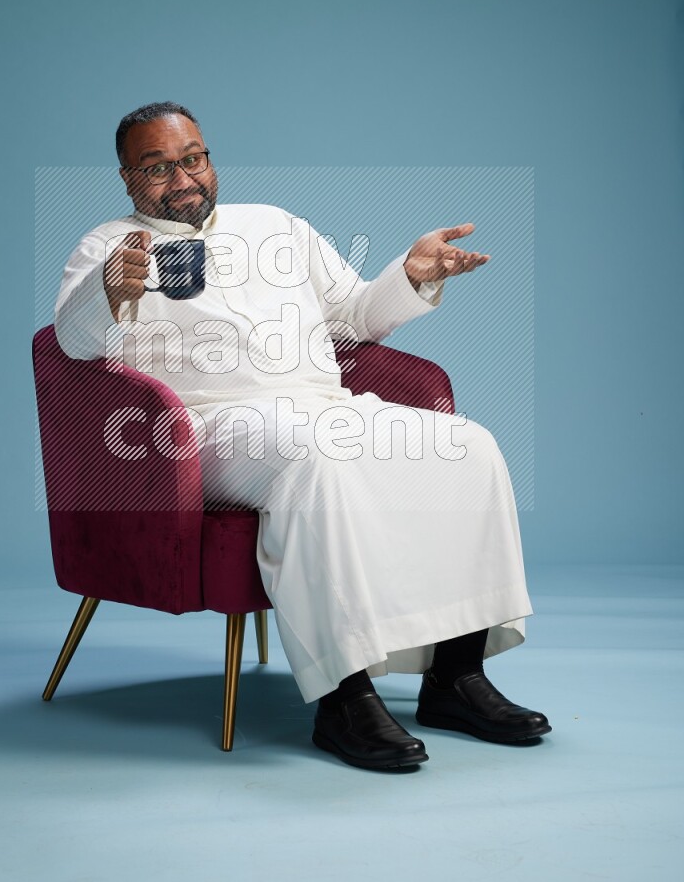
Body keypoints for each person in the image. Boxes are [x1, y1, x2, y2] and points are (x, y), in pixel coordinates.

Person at [54, 100, 551, 772]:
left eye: (192, 158)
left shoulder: (276, 226)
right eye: (157, 166)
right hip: (206, 429)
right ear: (126, 177)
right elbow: (72, 341)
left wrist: (409, 275)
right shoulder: (109, 244)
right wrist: (110, 289)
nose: (182, 178)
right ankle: (345, 699)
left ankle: (455, 677)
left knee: (467, 447)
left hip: (321, 403)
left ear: (209, 157)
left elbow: (352, 317)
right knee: (317, 460)